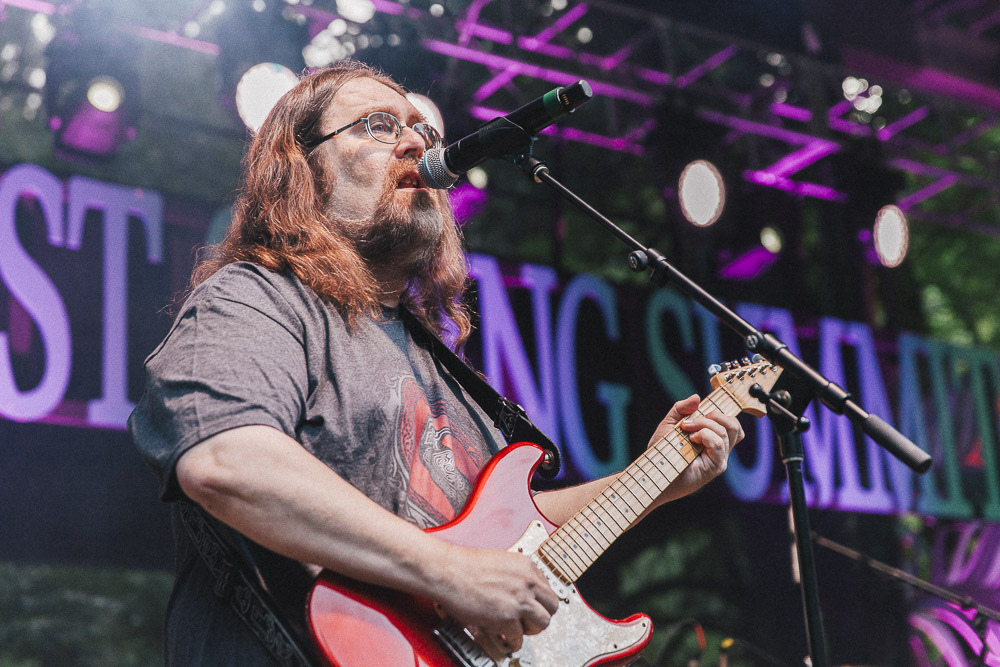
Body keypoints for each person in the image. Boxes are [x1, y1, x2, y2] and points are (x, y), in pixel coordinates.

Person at [128, 60, 744, 666]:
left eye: (423, 128)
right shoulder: (258, 299)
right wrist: (447, 572)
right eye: (377, 125)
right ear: (302, 170)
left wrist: (653, 480)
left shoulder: (448, 373)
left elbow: (512, 541)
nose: (416, 140)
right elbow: (226, 460)